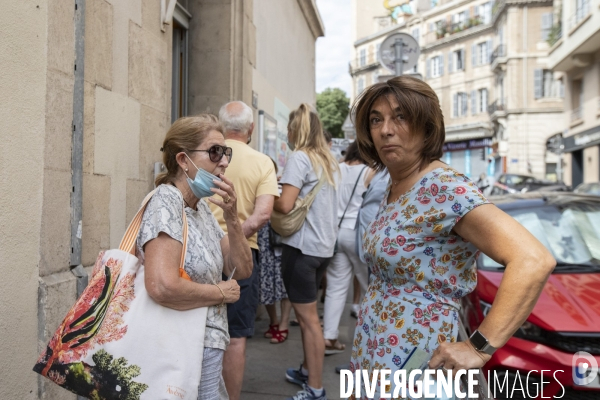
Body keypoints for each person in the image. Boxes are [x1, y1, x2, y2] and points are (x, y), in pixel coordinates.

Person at [350, 76, 556, 398]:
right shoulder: (394, 185)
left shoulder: (444, 188)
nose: (385, 129)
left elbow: (532, 259)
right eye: (376, 119)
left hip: (418, 356)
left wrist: (479, 346)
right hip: (377, 344)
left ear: (427, 127)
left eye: (400, 116)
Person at [140, 114, 252, 400]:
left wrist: (232, 217)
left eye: (226, 152)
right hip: (179, 354)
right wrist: (219, 293)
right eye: (215, 152)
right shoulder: (167, 200)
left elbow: (241, 269)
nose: (224, 161)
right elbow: (161, 285)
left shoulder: (200, 209)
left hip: (200, 354)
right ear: (183, 160)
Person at [210, 101, 280, 400]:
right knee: (236, 336)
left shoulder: (208, 156)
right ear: (251, 129)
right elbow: (264, 214)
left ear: (221, 126)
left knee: (197, 329)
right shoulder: (263, 161)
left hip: (202, 249)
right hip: (242, 256)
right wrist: (235, 236)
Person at [274, 103, 339, 400]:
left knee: (309, 321)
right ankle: (305, 369)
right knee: (309, 317)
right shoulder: (327, 159)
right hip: (323, 248)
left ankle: (315, 388)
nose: (286, 133)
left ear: (295, 130)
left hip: (301, 249)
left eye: (288, 128)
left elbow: (285, 205)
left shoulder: (299, 158)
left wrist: (267, 193)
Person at [322, 141, 372, 355]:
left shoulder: (337, 168)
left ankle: (329, 337)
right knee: (372, 290)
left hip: (336, 232)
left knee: (335, 288)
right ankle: (372, 342)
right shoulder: (371, 171)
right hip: (357, 233)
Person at [258, 160, 292, 344]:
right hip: (264, 243)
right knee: (266, 284)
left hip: (282, 242)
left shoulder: (282, 190)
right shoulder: (259, 188)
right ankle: (274, 321)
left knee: (285, 284)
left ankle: (284, 324)